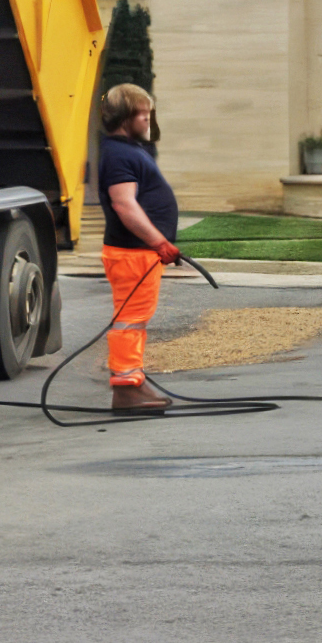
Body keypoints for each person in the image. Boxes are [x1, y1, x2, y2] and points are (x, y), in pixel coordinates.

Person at [95, 83, 183, 414]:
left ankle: (134, 382)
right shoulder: (118, 155)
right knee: (130, 321)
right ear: (125, 118)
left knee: (135, 321)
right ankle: (125, 388)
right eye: (143, 114)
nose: (148, 120)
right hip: (134, 254)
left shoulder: (124, 150)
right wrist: (159, 242)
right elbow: (125, 205)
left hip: (138, 254)